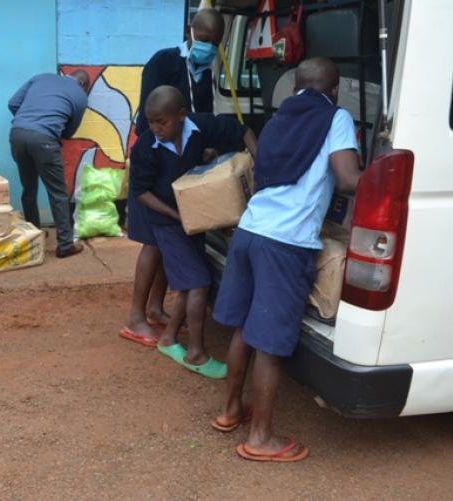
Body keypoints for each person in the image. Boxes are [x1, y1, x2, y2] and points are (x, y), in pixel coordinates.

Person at [211, 58, 361, 462]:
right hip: (286, 243)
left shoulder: (278, 119)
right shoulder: (336, 116)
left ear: (296, 85)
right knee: (271, 343)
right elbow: (347, 178)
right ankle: (260, 438)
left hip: (250, 230)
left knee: (244, 327)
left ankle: (230, 412)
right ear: (334, 90)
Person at [129, 86, 257, 378]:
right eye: (151, 122)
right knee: (198, 283)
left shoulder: (200, 126)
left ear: (182, 116)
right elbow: (141, 192)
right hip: (166, 221)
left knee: (192, 282)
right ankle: (196, 352)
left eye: (163, 122)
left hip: (193, 219)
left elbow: (242, 130)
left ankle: (169, 338)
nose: (157, 129)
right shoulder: (146, 147)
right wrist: (178, 216)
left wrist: (261, 165)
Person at [121, 7, 226, 346]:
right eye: (204, 39)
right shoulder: (163, 61)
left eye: (215, 42)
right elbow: (148, 116)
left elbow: (203, 119)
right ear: (190, 31)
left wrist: (204, 148)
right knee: (153, 241)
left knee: (171, 243)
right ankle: (136, 317)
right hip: (157, 165)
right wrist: (155, 154)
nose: (208, 47)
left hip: (184, 167)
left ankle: (155, 307)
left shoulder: (204, 72)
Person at [8, 70, 90, 258]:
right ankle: (66, 244)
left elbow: (12, 103)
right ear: (84, 85)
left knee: (29, 188)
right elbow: (69, 132)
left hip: (17, 134)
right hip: (44, 140)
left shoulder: (41, 77)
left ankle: (33, 235)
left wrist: (27, 121)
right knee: (58, 193)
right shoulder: (80, 96)